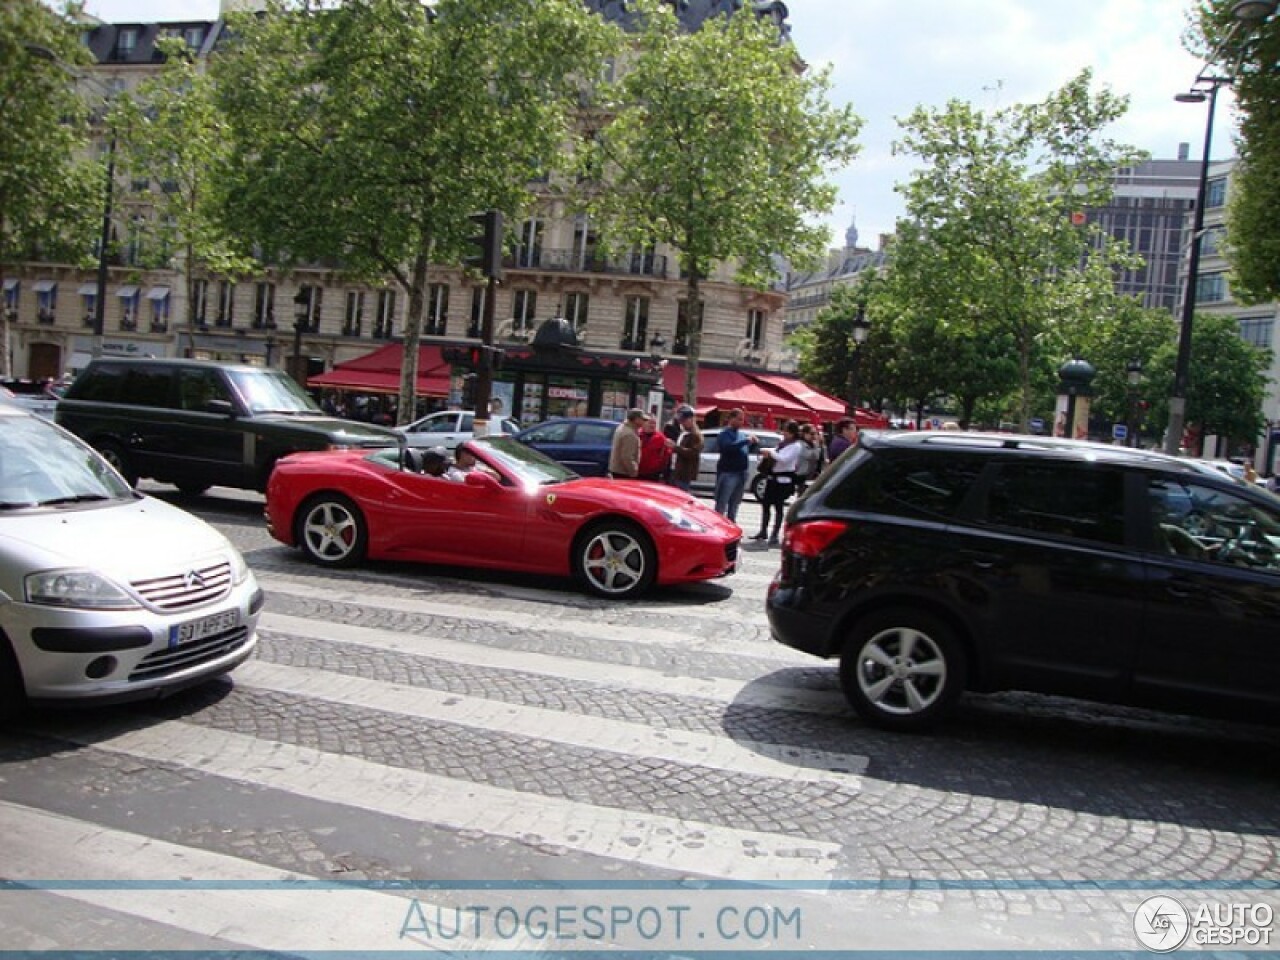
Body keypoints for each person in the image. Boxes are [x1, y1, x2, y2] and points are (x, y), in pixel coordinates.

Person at [753, 420, 802, 545]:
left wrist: (771, 453)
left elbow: (784, 459)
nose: (784, 433)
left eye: (786, 431)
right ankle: (763, 531)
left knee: (778, 507)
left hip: (783, 480)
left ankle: (774, 534)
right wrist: (768, 452)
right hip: (772, 478)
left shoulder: (796, 446)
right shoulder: (782, 444)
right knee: (766, 505)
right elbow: (776, 453)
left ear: (792, 433)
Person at [713, 408, 756, 522]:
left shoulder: (741, 434)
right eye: (739, 419)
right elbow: (728, 448)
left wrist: (753, 444)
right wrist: (745, 441)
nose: (741, 422)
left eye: (742, 420)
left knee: (735, 503)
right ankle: (717, 525)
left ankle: (731, 525)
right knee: (722, 503)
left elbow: (744, 450)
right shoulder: (724, 434)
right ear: (731, 419)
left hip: (741, 473)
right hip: (728, 473)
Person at [669, 405, 704, 491]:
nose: (682, 423)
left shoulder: (696, 435)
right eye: (680, 420)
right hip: (676, 472)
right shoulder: (684, 433)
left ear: (692, 419)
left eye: (684, 420)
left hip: (684, 475)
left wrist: (675, 447)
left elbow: (693, 453)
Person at [608, 408, 646, 479]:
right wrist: (633, 472)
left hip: (617, 470)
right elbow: (627, 457)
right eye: (642, 419)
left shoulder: (622, 427)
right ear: (636, 419)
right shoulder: (629, 434)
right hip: (623, 472)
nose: (644, 422)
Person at [637, 414, 674, 481]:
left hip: (653, 474)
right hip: (637, 472)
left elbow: (667, 454)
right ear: (644, 423)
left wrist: (661, 469)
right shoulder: (637, 435)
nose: (652, 425)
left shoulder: (661, 438)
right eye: (650, 423)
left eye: (654, 423)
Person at [794, 423, 823, 494]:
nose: (814, 436)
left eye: (816, 433)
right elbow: (811, 455)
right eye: (812, 434)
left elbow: (819, 458)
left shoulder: (814, 445)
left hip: (811, 475)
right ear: (805, 434)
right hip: (801, 475)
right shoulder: (800, 444)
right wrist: (817, 445)